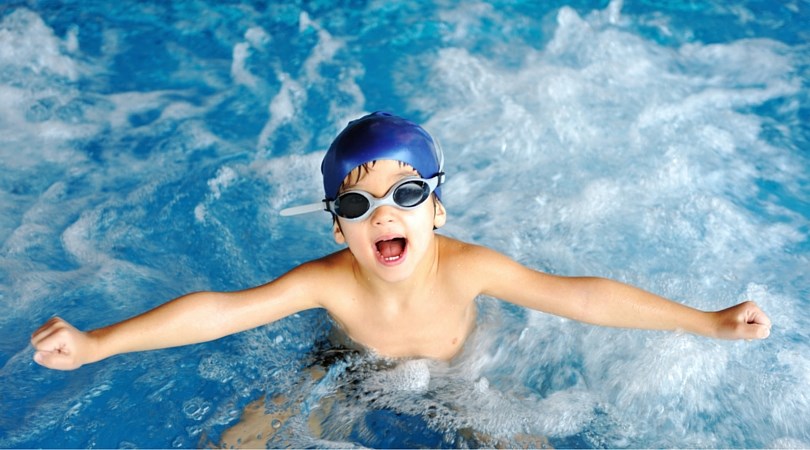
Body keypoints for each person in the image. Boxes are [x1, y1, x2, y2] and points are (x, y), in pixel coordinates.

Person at [31, 112, 772, 371]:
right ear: (338, 227)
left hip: (460, 372)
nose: (385, 214)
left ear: (437, 211)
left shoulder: (469, 269)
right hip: (349, 362)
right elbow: (221, 311)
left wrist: (706, 321)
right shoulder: (327, 280)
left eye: (407, 194)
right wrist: (96, 344)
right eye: (358, 202)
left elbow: (578, 297)